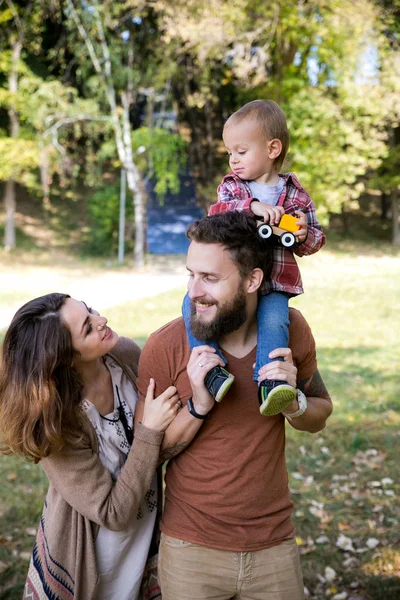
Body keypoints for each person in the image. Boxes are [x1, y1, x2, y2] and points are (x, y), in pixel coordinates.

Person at [137, 211, 333, 600]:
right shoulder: (166, 346)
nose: (194, 290)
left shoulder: (290, 331)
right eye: (190, 274)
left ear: (252, 280)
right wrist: (199, 403)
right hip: (190, 548)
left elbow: (320, 413)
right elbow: (147, 455)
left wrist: (294, 403)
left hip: (273, 546)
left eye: (210, 278)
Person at [0, 293, 182, 600]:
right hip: (92, 562)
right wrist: (149, 430)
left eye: (91, 311)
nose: (102, 321)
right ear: (64, 358)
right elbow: (112, 512)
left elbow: (161, 444)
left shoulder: (124, 356)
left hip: (145, 537)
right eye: (87, 327)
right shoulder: (56, 425)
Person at [182, 99, 326, 417]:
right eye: (230, 153)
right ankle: (209, 369)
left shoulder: (296, 195)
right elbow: (217, 212)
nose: (233, 160)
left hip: (275, 280)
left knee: (275, 322)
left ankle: (270, 383)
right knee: (190, 305)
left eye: (241, 152)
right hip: (233, 277)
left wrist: (303, 234)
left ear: (273, 149)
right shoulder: (234, 188)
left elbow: (315, 239)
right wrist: (253, 208)